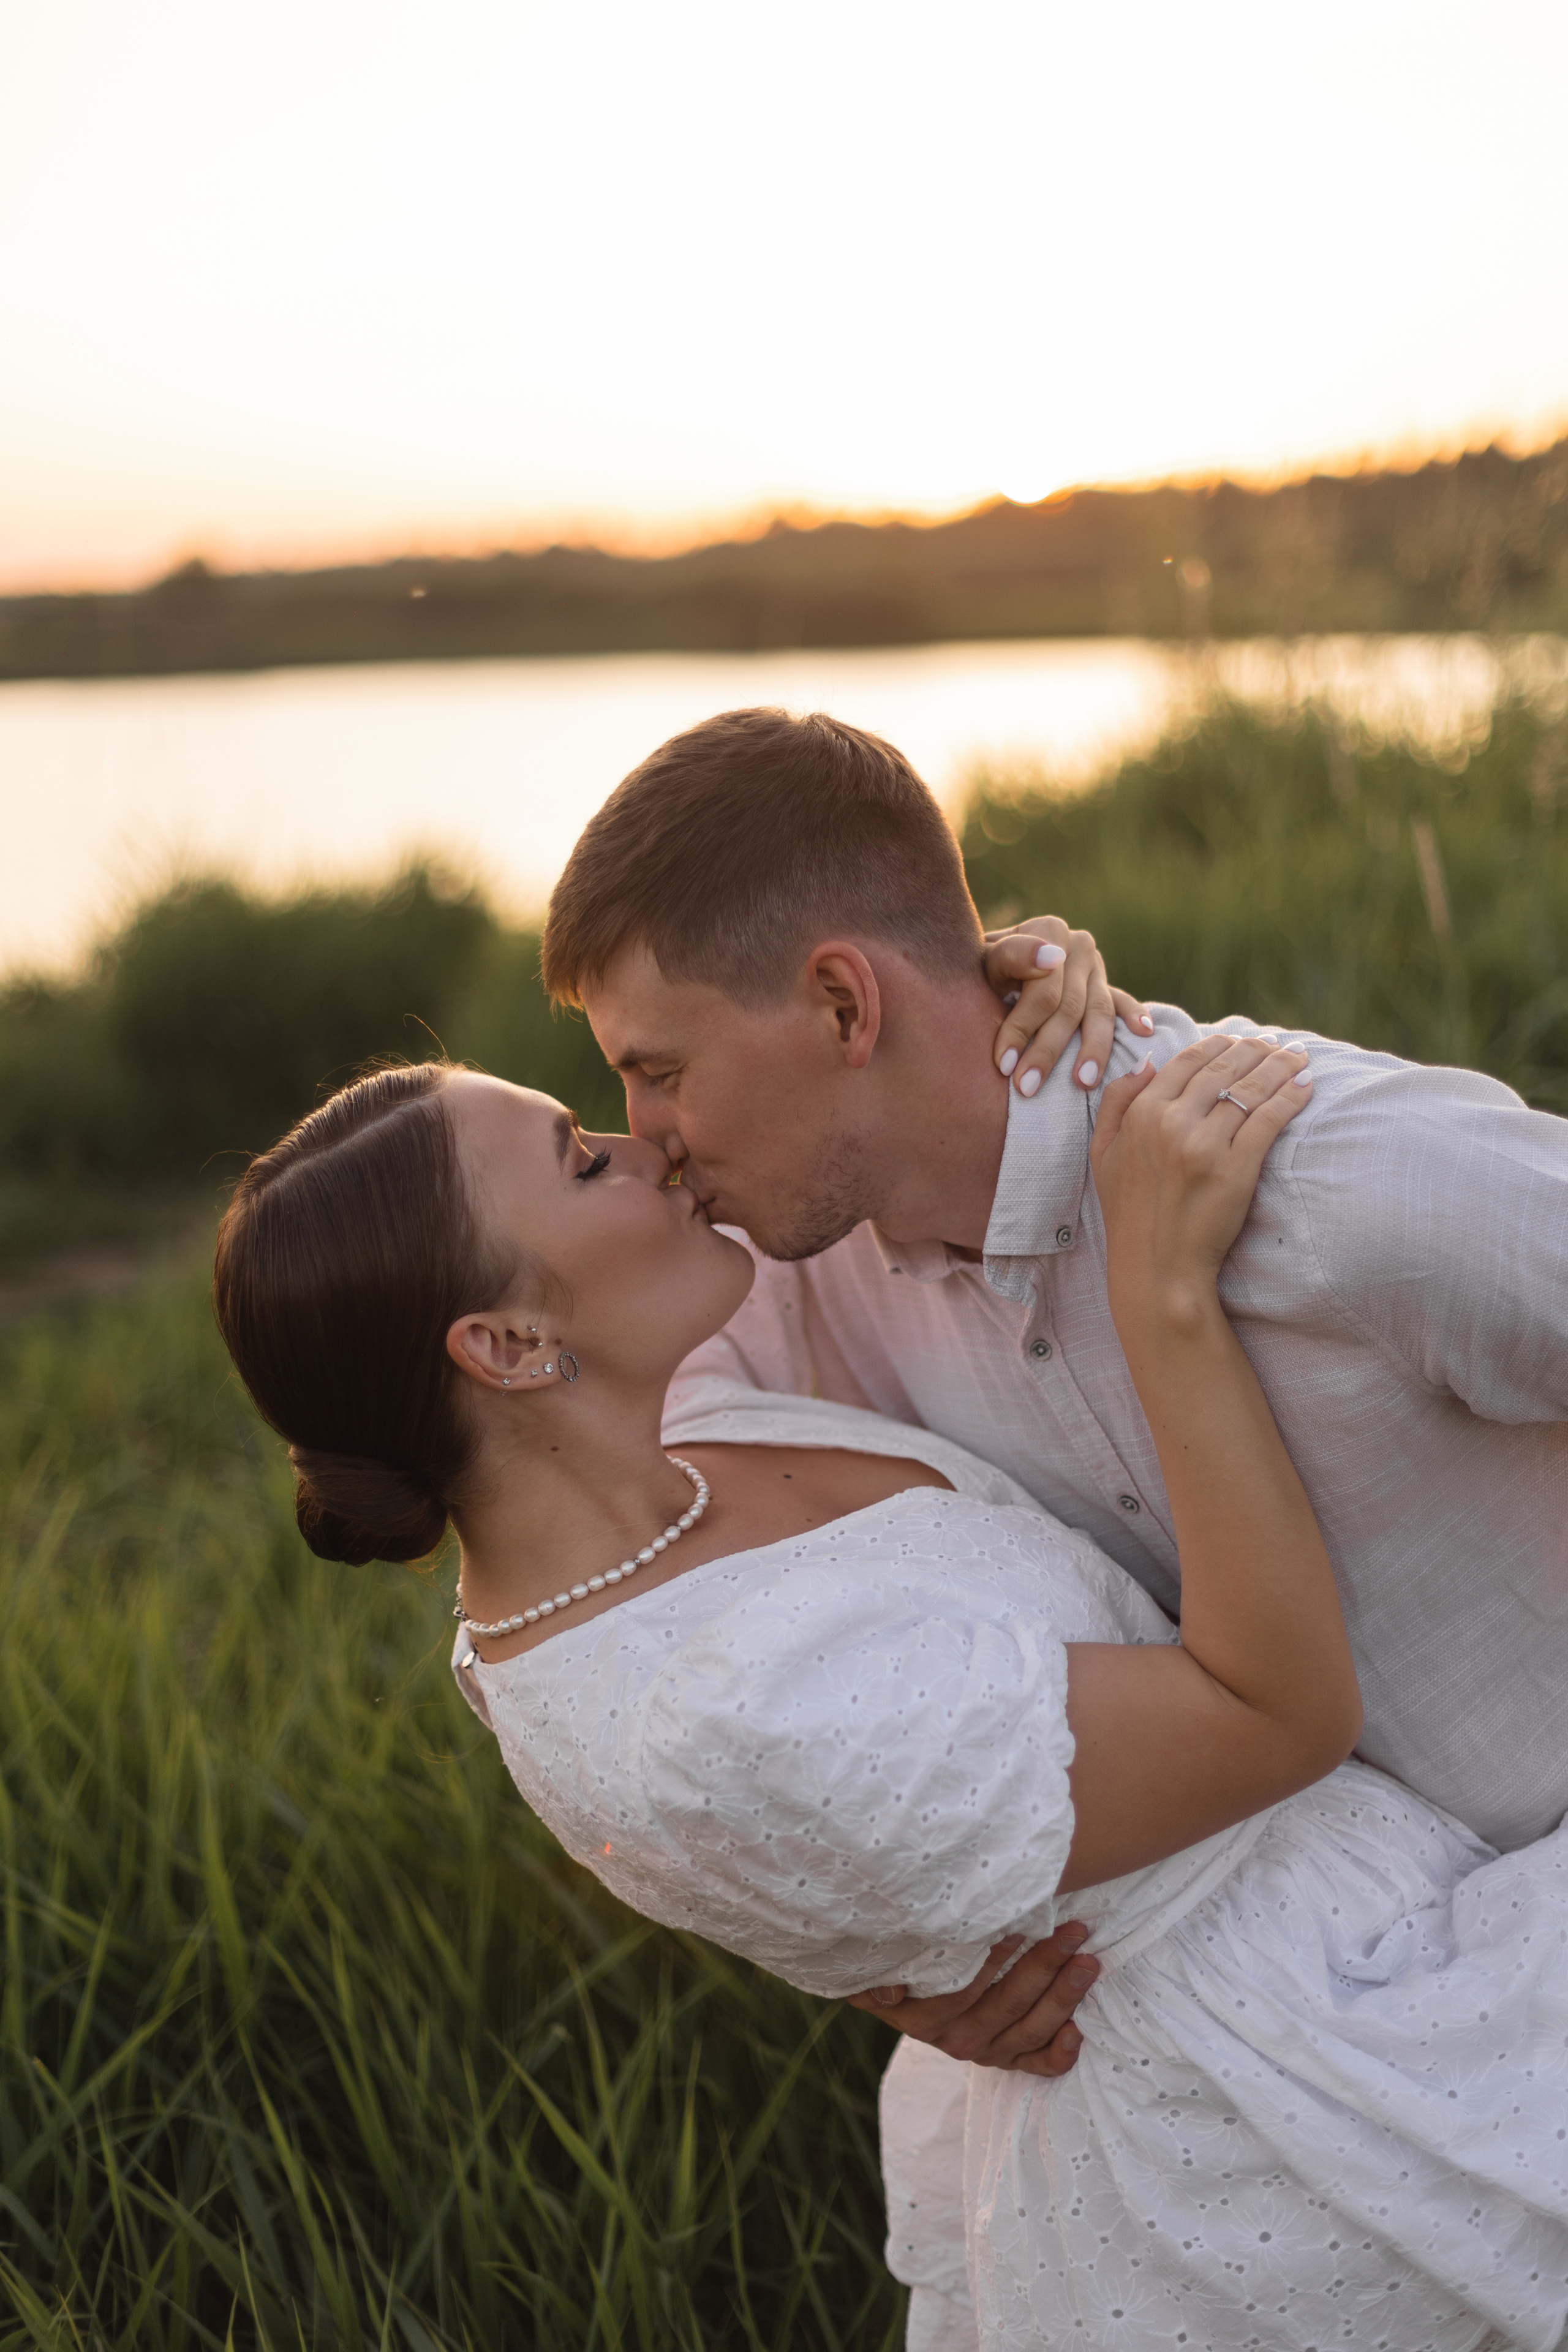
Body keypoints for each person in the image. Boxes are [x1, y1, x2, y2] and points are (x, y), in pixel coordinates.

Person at [212, 1046, 1568, 2352]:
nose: (651, 1146)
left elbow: (829, 1134)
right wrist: (1165, 1292)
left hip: (1335, 1904)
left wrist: (981, 994)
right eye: (582, 1162)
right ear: (507, 1344)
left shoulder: (657, 1443)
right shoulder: (718, 1710)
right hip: (1289, 2076)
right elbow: (1273, 1715)